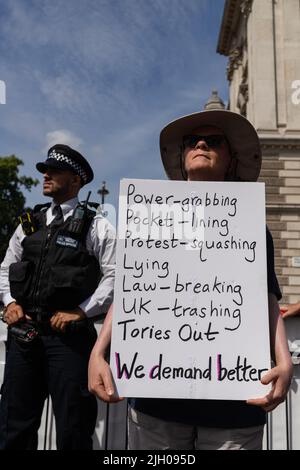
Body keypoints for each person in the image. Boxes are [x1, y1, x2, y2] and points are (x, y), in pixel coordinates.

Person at [88, 110, 293, 450]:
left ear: (230, 160)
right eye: (191, 142)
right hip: (157, 402)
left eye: (214, 141)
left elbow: (266, 299)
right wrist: (99, 351)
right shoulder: (151, 218)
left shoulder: (254, 227)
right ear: (182, 159)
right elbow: (131, 292)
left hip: (236, 406)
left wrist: (283, 360)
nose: (200, 144)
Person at [0, 144, 116, 450]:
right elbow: (6, 267)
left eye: (54, 170)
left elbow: (116, 276)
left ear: (76, 180)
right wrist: (10, 302)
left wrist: (81, 311)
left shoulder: (97, 225)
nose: (46, 175)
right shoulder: (29, 223)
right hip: (24, 338)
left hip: (70, 342)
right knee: (14, 428)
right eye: (44, 170)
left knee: (73, 431)